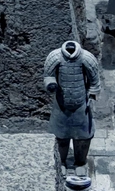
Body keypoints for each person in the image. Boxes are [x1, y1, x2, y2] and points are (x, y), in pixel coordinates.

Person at [44, 41, 102, 175]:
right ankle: (61, 162)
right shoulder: (55, 57)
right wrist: (51, 84)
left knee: (83, 138)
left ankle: (80, 162)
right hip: (61, 105)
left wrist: (93, 94)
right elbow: (48, 75)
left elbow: (94, 79)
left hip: (81, 105)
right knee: (60, 137)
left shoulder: (86, 58)